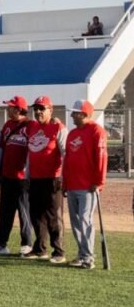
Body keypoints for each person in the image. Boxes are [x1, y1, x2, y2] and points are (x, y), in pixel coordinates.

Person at [0, 96, 35, 256]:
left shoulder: (30, 125)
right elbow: (4, 151)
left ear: (19, 109)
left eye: (11, 107)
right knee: (4, 212)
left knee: (24, 211)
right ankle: (1, 244)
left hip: (22, 178)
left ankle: (27, 243)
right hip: (7, 176)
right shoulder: (7, 125)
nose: (8, 109)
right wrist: (0, 173)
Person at [62, 99, 107, 269]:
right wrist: (65, 183)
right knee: (75, 222)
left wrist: (99, 181)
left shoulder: (97, 131)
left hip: (88, 186)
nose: (72, 116)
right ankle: (82, 254)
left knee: (85, 220)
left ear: (83, 114)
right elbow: (67, 160)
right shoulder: (72, 133)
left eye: (75, 113)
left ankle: (88, 258)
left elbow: (101, 158)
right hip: (72, 185)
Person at [23, 96, 67, 263]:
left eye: (42, 108)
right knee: (36, 216)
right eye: (36, 109)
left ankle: (59, 251)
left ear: (51, 110)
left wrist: (63, 176)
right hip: (35, 179)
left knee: (53, 217)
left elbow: (65, 154)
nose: (38, 112)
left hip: (52, 179)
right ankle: (40, 249)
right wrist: (27, 176)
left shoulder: (58, 127)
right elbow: (30, 154)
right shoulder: (33, 127)